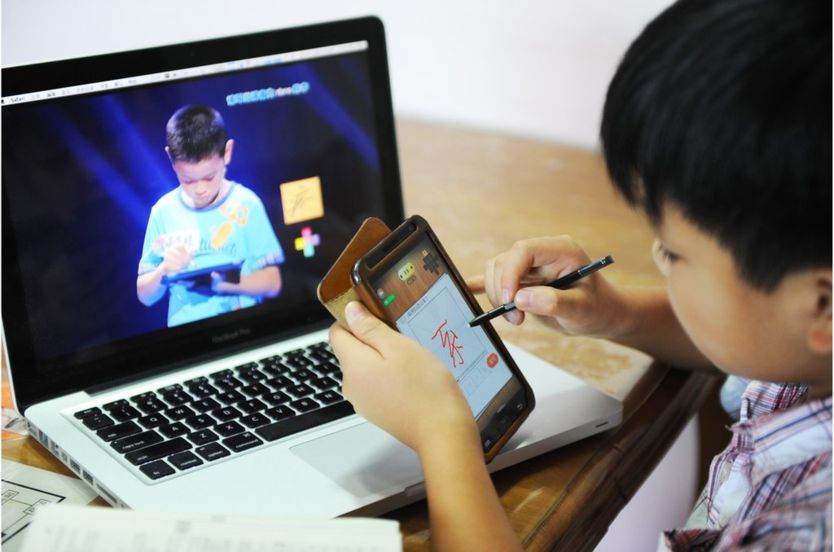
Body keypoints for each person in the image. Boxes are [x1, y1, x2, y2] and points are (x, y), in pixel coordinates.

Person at [329, 0, 831, 550]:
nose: (659, 261)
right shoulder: (804, 355)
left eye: (677, 254)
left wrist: (443, 434)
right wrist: (616, 313)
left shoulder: (803, 530)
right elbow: (749, 338)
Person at [137, 105, 284, 327]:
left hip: (245, 330)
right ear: (170, 158)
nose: (200, 189)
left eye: (209, 177)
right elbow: (145, 296)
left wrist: (221, 284)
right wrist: (163, 270)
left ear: (227, 152)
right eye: (188, 179)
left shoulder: (246, 203)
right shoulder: (163, 212)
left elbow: (272, 283)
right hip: (188, 341)